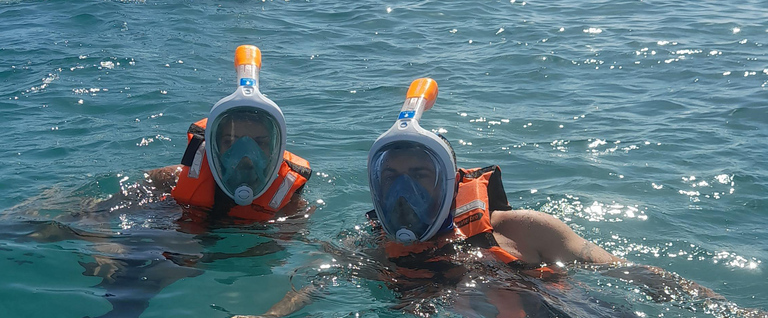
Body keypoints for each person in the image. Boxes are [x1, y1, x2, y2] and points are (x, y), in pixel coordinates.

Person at [244, 78, 736, 318]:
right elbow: (312, 288)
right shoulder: (370, 248)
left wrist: (722, 305)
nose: (404, 189)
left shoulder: (521, 229)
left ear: (451, 182)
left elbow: (629, 273)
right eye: (390, 176)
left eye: (420, 174)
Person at [147, 45, 311, 222]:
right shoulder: (172, 178)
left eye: (259, 143)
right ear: (214, 145)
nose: (246, 156)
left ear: (275, 149)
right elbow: (118, 206)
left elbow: (310, 243)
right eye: (231, 141)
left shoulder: (290, 203)